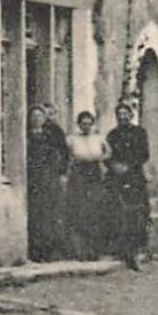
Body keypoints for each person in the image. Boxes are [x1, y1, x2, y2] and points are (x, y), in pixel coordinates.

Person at [105, 100, 151, 270]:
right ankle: (118, 247)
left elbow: (144, 154)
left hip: (134, 177)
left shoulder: (140, 133)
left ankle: (137, 248)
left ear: (131, 116)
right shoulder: (112, 134)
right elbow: (107, 154)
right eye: (120, 114)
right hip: (116, 177)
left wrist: (129, 166)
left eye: (126, 114)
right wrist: (113, 166)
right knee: (116, 211)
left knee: (137, 212)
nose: (122, 117)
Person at [64, 110, 109, 260]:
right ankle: (80, 251)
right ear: (79, 124)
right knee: (80, 210)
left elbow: (109, 152)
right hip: (79, 174)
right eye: (83, 124)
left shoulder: (99, 139)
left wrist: (101, 159)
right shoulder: (72, 139)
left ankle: (94, 250)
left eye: (89, 124)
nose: (86, 126)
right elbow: (67, 155)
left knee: (94, 210)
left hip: (94, 172)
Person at [27, 103, 68, 261]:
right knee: (35, 215)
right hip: (33, 180)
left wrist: (59, 172)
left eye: (40, 116)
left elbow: (61, 153)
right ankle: (35, 250)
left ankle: (49, 250)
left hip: (48, 178)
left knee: (49, 214)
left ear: (44, 119)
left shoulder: (50, 135)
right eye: (34, 117)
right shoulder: (27, 136)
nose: (36, 119)